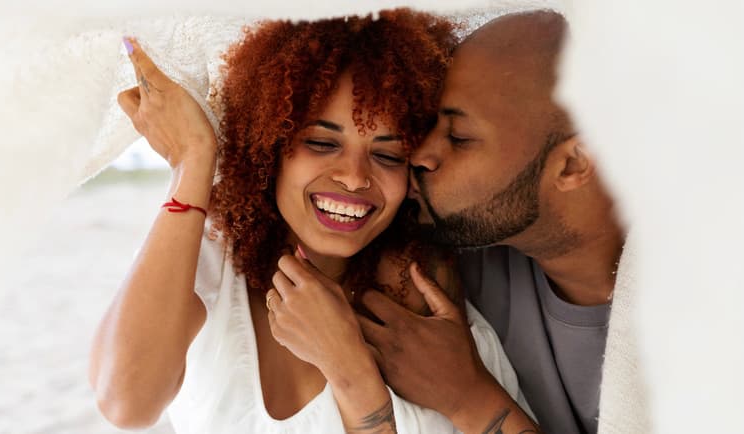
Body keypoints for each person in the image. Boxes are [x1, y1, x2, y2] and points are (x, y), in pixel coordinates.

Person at [88, 10, 529, 434]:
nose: (355, 177)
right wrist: (194, 160)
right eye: (321, 143)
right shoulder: (211, 266)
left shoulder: (425, 289)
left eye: (387, 154)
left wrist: (350, 371)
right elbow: (126, 403)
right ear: (269, 147)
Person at [353, 10, 629, 434]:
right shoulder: (453, 260)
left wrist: (468, 398)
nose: (420, 155)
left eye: (459, 136)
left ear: (573, 163)